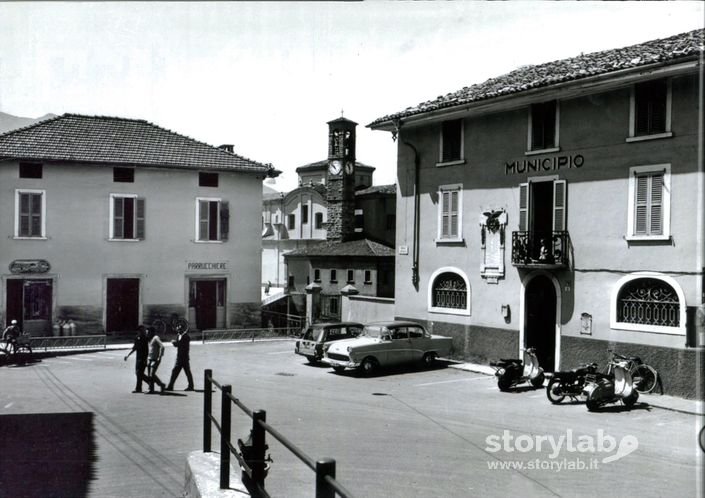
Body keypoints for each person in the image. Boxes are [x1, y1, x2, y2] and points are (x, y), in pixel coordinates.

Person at [124, 325, 149, 393]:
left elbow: (147, 350)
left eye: (142, 330)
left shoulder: (145, 338)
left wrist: (146, 359)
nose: (142, 331)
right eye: (140, 330)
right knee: (138, 373)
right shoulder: (137, 338)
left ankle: (144, 385)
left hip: (143, 358)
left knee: (139, 373)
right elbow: (134, 348)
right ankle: (142, 386)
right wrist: (128, 355)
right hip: (138, 358)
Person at [146, 327, 167, 394]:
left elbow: (162, 346)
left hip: (155, 359)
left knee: (152, 374)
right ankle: (151, 389)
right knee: (150, 375)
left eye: (148, 332)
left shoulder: (156, 338)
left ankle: (161, 385)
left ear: (152, 332)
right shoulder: (149, 339)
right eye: (147, 333)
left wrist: (160, 356)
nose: (147, 334)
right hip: (150, 359)